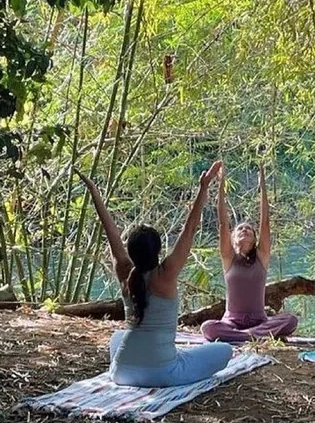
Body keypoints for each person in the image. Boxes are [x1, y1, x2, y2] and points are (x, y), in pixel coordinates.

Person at [76, 162, 232, 387]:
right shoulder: (166, 274)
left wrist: (94, 192)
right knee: (224, 350)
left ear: (131, 252)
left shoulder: (125, 273)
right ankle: (155, 362)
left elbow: (110, 235)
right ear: (158, 250)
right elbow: (190, 229)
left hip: (120, 373)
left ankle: (138, 361)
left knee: (119, 337)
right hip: (163, 373)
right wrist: (203, 187)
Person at [201, 163, 298, 342]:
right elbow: (223, 223)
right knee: (207, 328)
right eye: (240, 229)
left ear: (255, 239)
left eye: (249, 229)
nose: (245, 230)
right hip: (231, 322)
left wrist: (263, 186)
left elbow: (265, 223)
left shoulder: (261, 257)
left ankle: (248, 336)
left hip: (260, 320)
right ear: (232, 238)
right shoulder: (228, 257)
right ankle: (252, 336)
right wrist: (221, 184)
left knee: (291, 320)